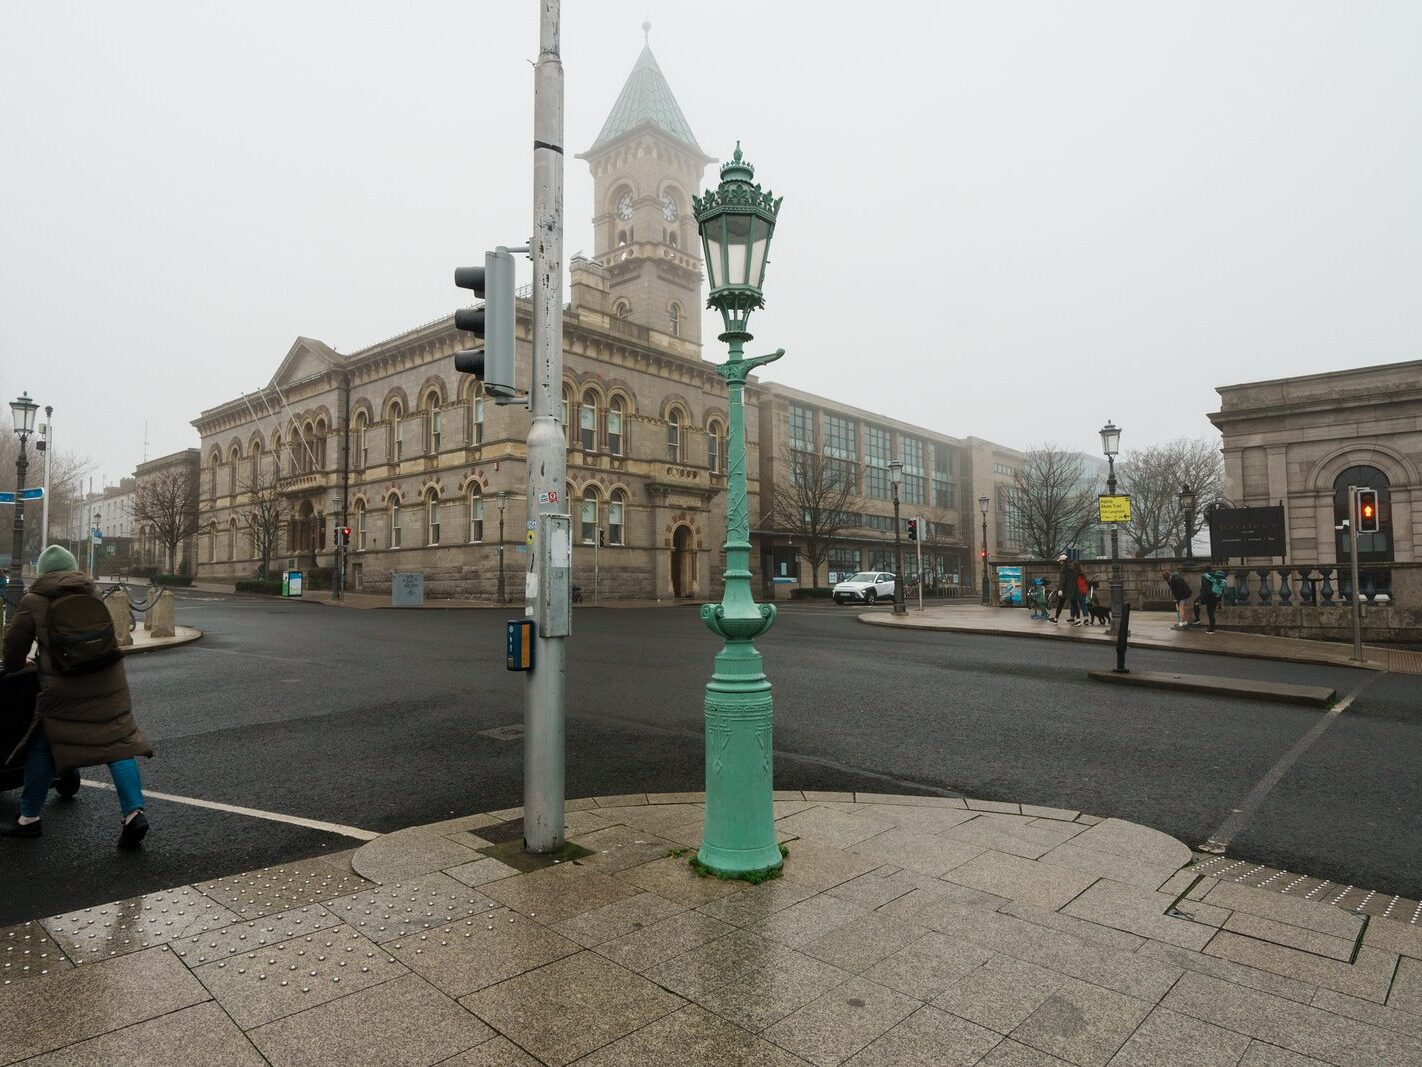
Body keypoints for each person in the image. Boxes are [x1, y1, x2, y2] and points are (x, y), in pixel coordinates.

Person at [2, 545, 153, 846]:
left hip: (64, 683)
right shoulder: (91, 591)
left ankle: (29, 818)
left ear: (43, 571)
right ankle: (134, 814)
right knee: (118, 742)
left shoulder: (34, 599)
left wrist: (20, 665)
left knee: (43, 744)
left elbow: (14, 647)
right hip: (108, 677)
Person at [1194, 565, 1228, 634]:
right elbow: (1221, 590)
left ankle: (1197, 619)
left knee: (1195, 603)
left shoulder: (1204, 576)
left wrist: (1202, 599)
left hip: (1208, 596)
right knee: (1211, 614)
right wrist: (1219, 599)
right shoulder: (1216, 577)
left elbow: (1205, 589)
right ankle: (1211, 630)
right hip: (1216, 597)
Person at [1049, 554, 1076, 623]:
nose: (1059, 562)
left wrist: (1060, 589)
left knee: (1060, 604)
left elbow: (1062, 580)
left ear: (1062, 561)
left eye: (1060, 561)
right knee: (1074, 604)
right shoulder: (1071, 567)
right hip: (1071, 588)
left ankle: (1056, 619)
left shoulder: (1063, 568)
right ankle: (1075, 618)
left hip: (1064, 589)